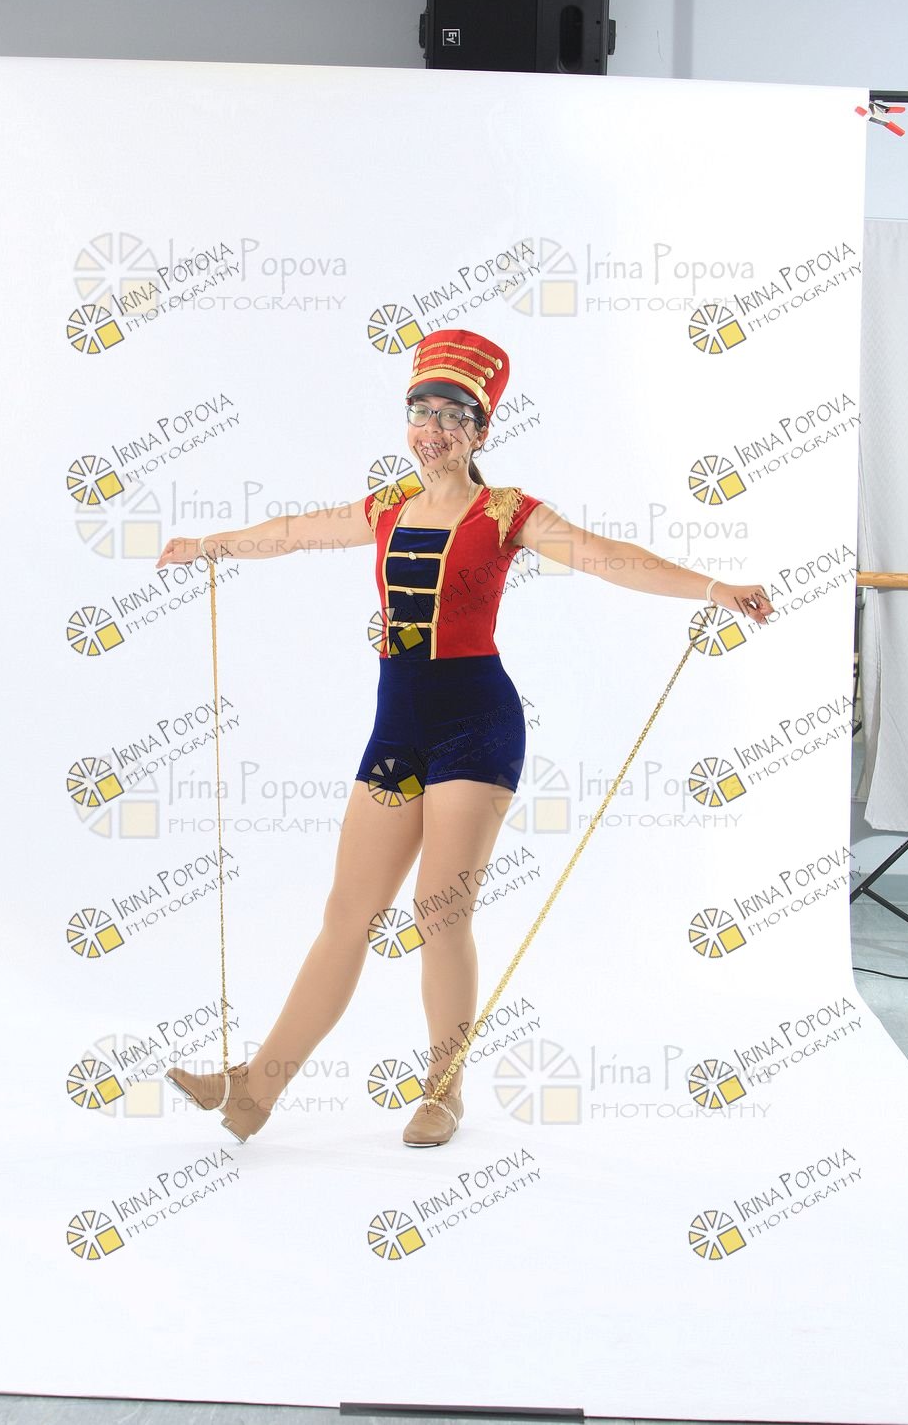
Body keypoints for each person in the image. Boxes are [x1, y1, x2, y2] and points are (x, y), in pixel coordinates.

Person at [154, 327, 773, 1149]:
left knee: (438, 913)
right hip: (398, 728)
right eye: (422, 412)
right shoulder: (384, 509)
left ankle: (443, 1092)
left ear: (481, 431)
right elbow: (297, 530)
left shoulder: (507, 512)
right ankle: (255, 1088)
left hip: (475, 726)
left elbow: (606, 557)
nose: (434, 430)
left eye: (454, 416)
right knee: (348, 911)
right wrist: (209, 546)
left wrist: (715, 587)